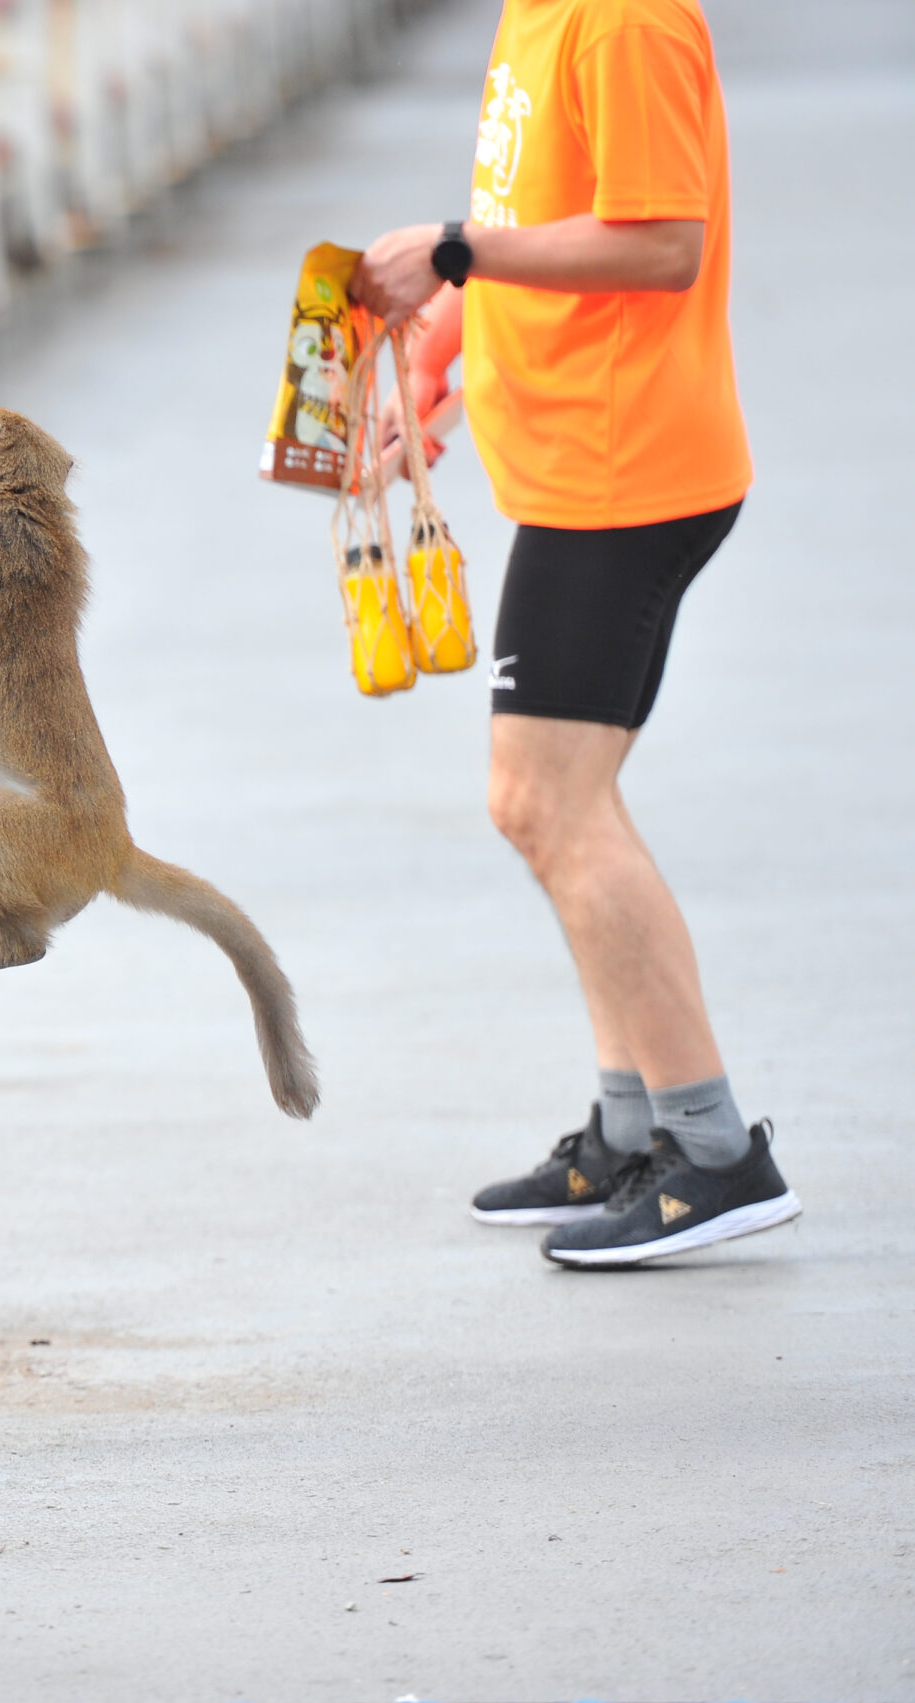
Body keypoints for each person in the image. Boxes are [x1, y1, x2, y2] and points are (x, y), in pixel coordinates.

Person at [354, 0, 799, 1268]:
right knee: (557, 801)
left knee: (545, 802)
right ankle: (630, 1123)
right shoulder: (542, 11)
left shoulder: (625, 16)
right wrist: (434, 363)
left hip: (626, 469)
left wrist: (451, 252)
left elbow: (660, 244)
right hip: (572, 460)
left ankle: (714, 1151)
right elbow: (535, 212)